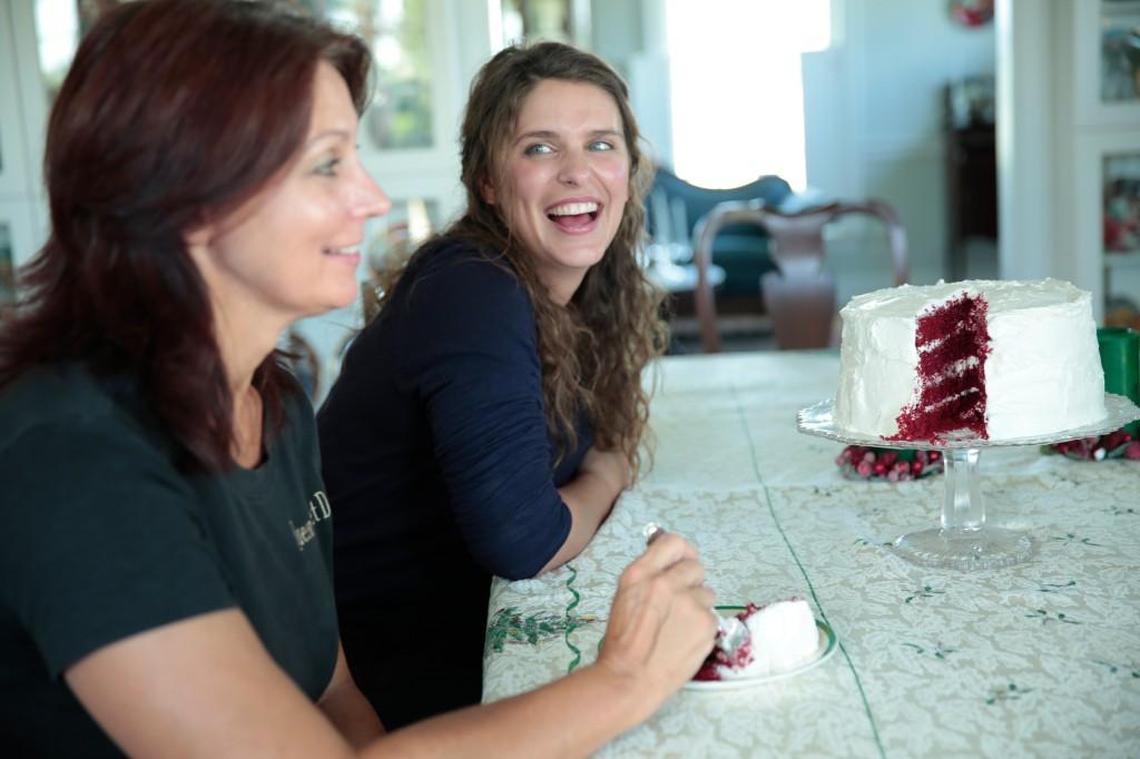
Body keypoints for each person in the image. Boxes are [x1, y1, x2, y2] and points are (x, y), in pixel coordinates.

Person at [0, 1, 715, 756]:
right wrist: (627, 678)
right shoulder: (76, 461)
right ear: (182, 192)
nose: (372, 199)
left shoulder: (272, 406)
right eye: (327, 162)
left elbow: (334, 691)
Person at [317, 41, 668, 726]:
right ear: (486, 178)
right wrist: (605, 470)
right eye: (539, 149)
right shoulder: (472, 291)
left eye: (601, 144)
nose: (577, 173)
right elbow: (523, 540)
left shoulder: (582, 289)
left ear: (630, 167)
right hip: (390, 678)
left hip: (458, 632)